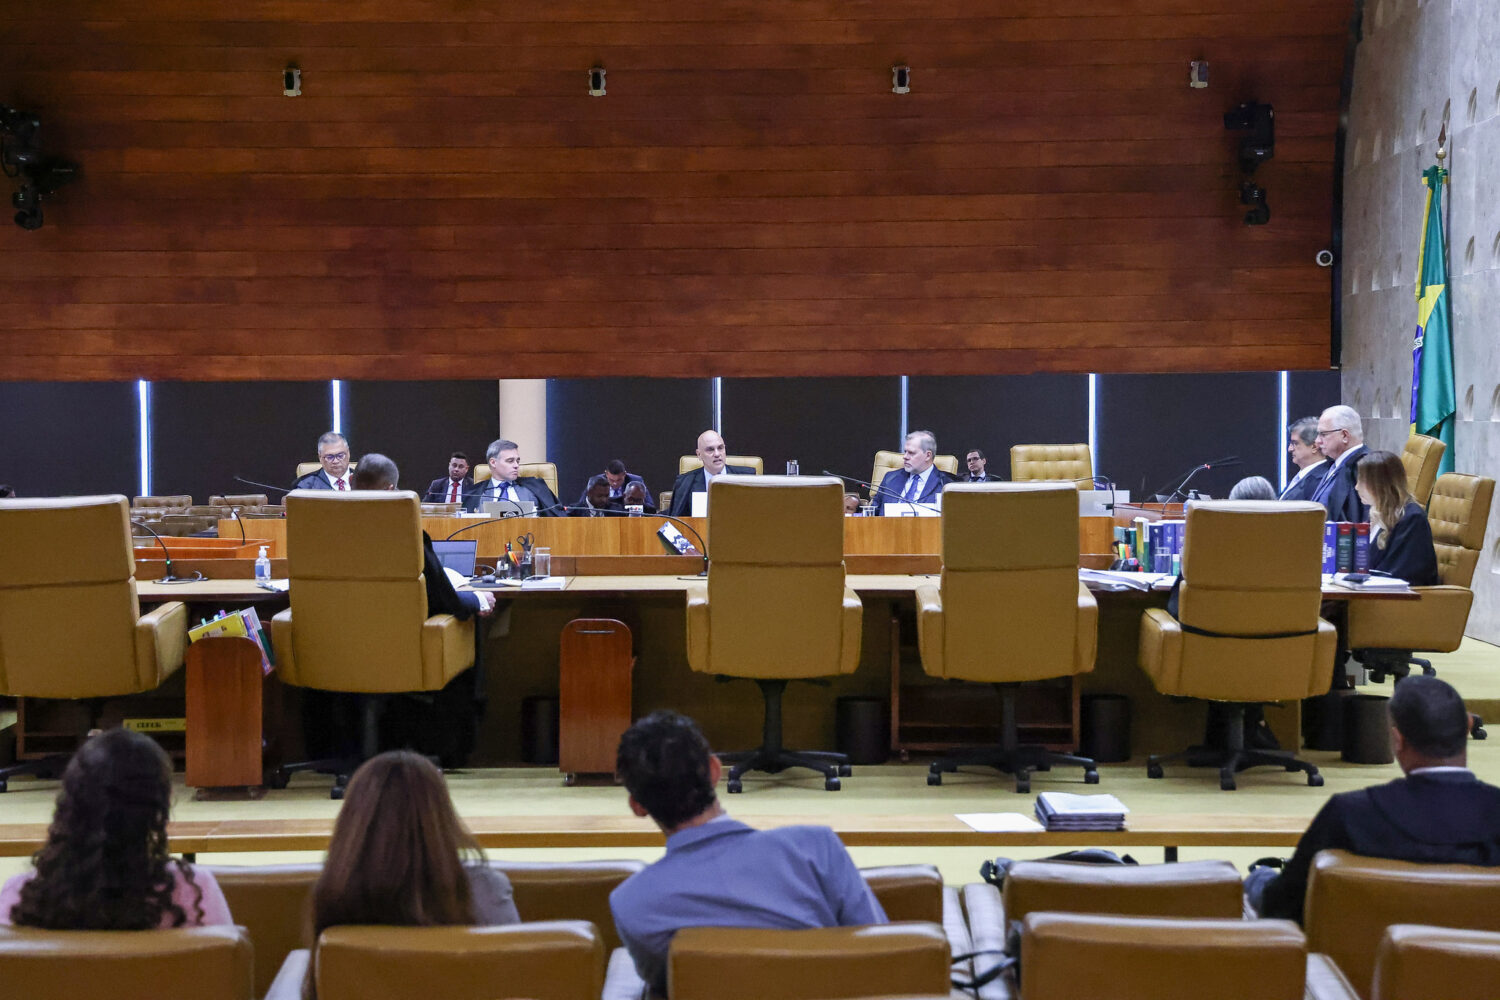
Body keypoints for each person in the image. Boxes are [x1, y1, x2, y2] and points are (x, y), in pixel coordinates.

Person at [609, 712, 887, 997]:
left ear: (637, 806)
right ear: (714, 770)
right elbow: (882, 956)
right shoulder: (818, 848)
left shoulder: (631, 904)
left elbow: (672, 987)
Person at [1248, 676, 1500, 925]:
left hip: (1362, 952)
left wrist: (1258, 879)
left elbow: (1282, 906)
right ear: (1468, 726)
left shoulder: (1350, 814)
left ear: (1397, 740)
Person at [304, 751, 519, 1000]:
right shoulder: (486, 888)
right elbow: (513, 982)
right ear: (441, 815)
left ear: (354, 820)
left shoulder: (333, 889)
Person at [1, 728, 233, 929]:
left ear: (68, 803)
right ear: (159, 807)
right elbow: (227, 962)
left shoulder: (19, 897)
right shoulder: (194, 891)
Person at [351, 454, 492, 766]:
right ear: (391, 490)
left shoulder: (325, 531)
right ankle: (451, 747)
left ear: (351, 484)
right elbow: (445, 600)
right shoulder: (407, 535)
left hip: (337, 649)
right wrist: (477, 600)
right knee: (468, 624)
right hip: (402, 649)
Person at [1357, 449, 1439, 586]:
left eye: (1361, 481)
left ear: (1380, 484)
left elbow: (1400, 574)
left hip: (1400, 597)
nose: (1356, 487)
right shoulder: (1376, 515)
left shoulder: (1412, 518)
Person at [666, 430, 756, 518]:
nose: (717, 454)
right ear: (699, 455)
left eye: (720, 448)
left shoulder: (747, 477)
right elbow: (674, 520)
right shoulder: (685, 483)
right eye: (710, 450)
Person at [1309, 405, 1369, 522]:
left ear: (1344, 435)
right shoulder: (1334, 465)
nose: (1317, 441)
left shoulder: (1365, 466)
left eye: (1323, 434)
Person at [473, 438, 560, 515]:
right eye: (510, 461)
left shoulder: (535, 488)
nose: (516, 465)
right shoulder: (474, 494)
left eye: (517, 461)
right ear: (493, 463)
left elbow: (556, 517)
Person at [873, 430, 952, 514]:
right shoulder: (890, 479)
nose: (905, 457)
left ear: (928, 455)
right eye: (905, 452)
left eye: (911, 453)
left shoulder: (946, 484)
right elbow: (873, 513)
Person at [1279, 417, 1331, 501]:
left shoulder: (1322, 480)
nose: (1290, 449)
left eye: (1295, 443)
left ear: (1314, 447)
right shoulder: (1300, 478)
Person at [579, 459, 655, 513]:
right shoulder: (597, 482)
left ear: (624, 474)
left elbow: (650, 505)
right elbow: (582, 505)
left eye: (619, 480)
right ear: (606, 474)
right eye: (611, 480)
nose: (615, 483)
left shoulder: (635, 481)